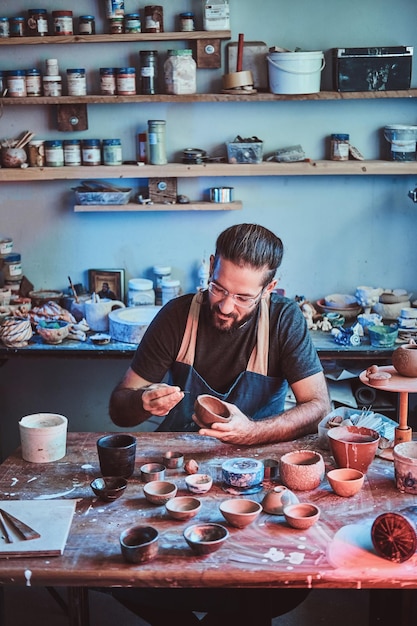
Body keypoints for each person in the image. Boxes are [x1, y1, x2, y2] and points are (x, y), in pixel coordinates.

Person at [107, 224, 331, 626]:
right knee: (128, 568)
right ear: (211, 266)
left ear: (270, 288)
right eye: (219, 288)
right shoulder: (178, 316)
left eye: (244, 297)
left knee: (275, 580)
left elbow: (318, 406)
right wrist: (143, 401)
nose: (226, 306)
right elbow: (118, 409)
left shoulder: (283, 320)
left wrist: (253, 433)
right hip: (179, 473)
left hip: (258, 479)